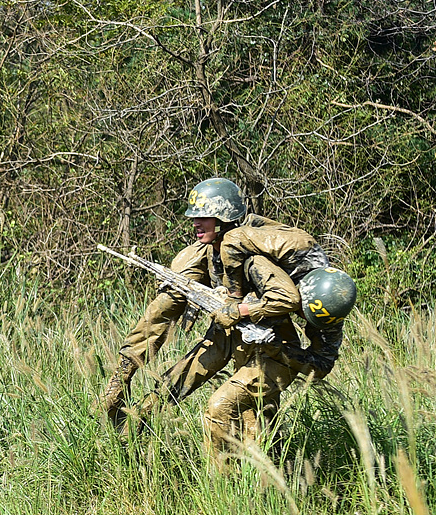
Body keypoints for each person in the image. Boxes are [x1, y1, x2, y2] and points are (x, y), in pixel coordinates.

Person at [102, 177, 349, 452]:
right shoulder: (207, 252)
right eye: (195, 217)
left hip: (264, 341)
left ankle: (259, 475)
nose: (196, 223)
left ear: (223, 217)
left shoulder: (258, 261)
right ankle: (133, 419)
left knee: (252, 421)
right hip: (227, 331)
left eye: (204, 217)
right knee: (182, 375)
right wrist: (126, 368)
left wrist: (259, 328)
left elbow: (319, 362)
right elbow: (163, 310)